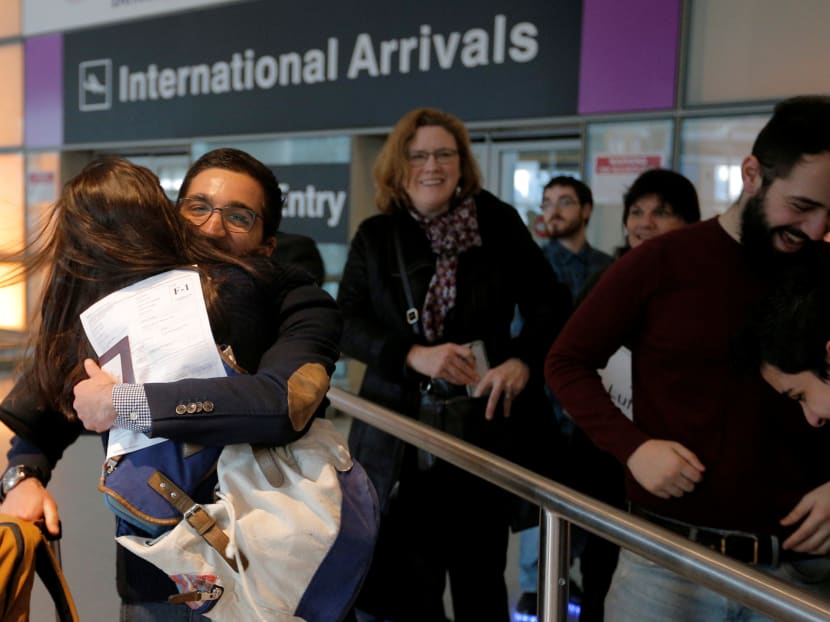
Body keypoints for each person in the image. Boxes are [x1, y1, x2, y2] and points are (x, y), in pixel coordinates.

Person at [0, 149, 343, 620]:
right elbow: (41, 408)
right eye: (197, 207)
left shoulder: (296, 299)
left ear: (267, 243)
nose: (212, 227)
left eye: (239, 216)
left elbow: (282, 403)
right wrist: (23, 476)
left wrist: (127, 403)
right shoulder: (132, 296)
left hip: (266, 565)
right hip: (155, 574)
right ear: (172, 216)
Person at [546, 94, 830, 622]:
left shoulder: (824, 266)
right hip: (667, 562)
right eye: (802, 207)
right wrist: (631, 447)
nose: (815, 230)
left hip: (803, 572)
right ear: (752, 174)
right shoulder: (659, 262)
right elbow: (566, 361)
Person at [337, 107, 570, 622]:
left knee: (480, 582)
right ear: (399, 167)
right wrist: (412, 354)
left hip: (481, 433)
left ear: (462, 165)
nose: (432, 166)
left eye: (445, 154)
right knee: (405, 587)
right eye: (418, 155)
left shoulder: (498, 222)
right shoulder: (378, 234)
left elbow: (550, 303)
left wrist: (521, 362)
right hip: (398, 438)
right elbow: (346, 321)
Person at [517, 175, 612, 618]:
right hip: (543, 409)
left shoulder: (609, 267)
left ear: (587, 210)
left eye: (565, 202)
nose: (552, 210)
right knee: (543, 506)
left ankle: (573, 578)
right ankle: (536, 585)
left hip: (595, 413)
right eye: (547, 202)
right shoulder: (530, 267)